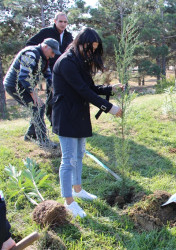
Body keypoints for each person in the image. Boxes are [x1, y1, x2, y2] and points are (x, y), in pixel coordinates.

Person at [52, 28, 123, 217]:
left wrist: (110, 89)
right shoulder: (67, 63)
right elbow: (84, 91)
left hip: (79, 114)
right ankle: (68, 202)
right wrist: (109, 107)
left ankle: (78, 190)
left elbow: (90, 87)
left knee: (79, 154)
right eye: (89, 48)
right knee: (68, 160)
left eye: (94, 49)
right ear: (80, 43)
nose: (91, 53)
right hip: (66, 116)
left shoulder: (79, 62)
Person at [3, 38, 60, 148]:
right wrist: (34, 95)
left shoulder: (44, 58)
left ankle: (31, 134)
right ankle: (43, 141)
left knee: (39, 107)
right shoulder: (31, 53)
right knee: (37, 107)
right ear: (45, 47)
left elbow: (48, 76)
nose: (53, 55)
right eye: (52, 52)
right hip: (14, 85)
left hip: (22, 85)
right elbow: (24, 77)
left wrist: (55, 90)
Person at [26, 12, 73, 123]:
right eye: (60, 21)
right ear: (55, 21)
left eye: (65, 22)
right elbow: (29, 44)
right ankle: (52, 119)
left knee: (66, 94)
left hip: (64, 69)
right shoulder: (46, 32)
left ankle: (64, 118)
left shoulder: (68, 36)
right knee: (52, 93)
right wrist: (43, 60)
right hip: (50, 69)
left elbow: (71, 51)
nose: (63, 24)